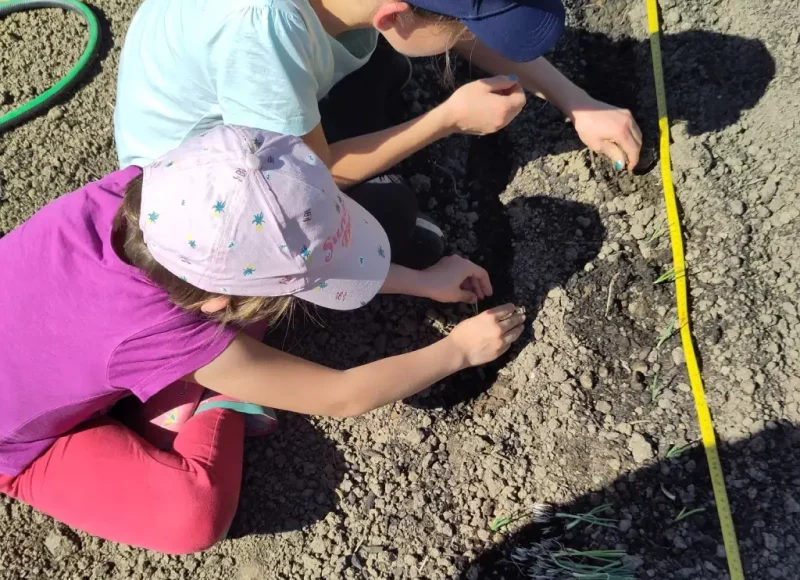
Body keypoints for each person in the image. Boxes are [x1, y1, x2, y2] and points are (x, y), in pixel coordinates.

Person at [0, 125, 526, 554]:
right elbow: (341, 395)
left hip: (84, 346)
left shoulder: (146, 195)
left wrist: (418, 280)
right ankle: (210, 396)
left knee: (255, 309)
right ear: (213, 304)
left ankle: (185, 383)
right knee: (189, 516)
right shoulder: (162, 327)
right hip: (21, 445)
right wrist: (458, 349)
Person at [114, 0, 642, 266]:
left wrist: (579, 103)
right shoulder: (262, 34)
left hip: (257, 91)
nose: (466, 37)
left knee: (382, 69)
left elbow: (451, 25)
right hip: (204, 193)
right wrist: (447, 120)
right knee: (389, 213)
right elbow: (308, 173)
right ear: (392, 14)